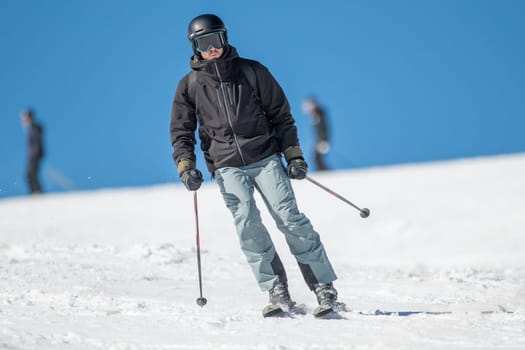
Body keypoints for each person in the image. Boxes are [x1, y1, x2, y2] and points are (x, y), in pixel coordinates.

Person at [170, 14, 343, 313]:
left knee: (289, 218)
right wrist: (186, 166)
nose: (212, 49)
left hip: (264, 158)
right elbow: (181, 131)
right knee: (247, 223)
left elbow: (281, 116)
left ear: (225, 39)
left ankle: (323, 287)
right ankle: (276, 290)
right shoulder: (190, 86)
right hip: (226, 166)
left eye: (217, 40)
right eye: (204, 43)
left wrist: (294, 155)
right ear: (194, 47)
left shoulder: (252, 72)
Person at [301, 97, 330, 171]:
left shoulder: (319, 114)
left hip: (322, 141)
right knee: (316, 159)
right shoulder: (315, 115)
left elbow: (324, 128)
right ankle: (324, 173)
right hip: (319, 141)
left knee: (317, 159)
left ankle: (327, 174)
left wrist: (323, 140)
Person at [20, 108, 45, 194]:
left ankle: (37, 192)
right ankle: (35, 192)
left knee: (30, 174)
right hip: (33, 156)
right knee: (30, 175)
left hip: (35, 156)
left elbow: (37, 142)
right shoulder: (32, 129)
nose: (23, 121)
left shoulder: (35, 128)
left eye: (25, 119)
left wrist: (36, 153)